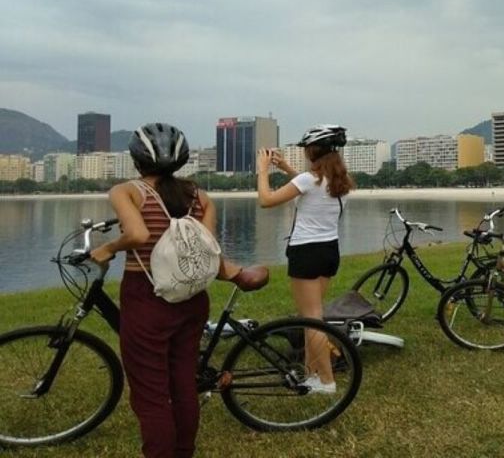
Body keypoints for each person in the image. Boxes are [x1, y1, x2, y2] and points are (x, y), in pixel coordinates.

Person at [90, 123, 267, 458]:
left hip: (147, 298)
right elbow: (207, 250)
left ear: (136, 159)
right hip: (192, 298)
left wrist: (109, 248)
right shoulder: (200, 197)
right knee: (183, 383)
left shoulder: (126, 191)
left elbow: (139, 235)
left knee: (151, 394)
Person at [256, 124, 354, 393]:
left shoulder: (308, 180)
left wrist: (263, 170)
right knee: (313, 315)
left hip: (306, 253)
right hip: (329, 251)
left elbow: (266, 200)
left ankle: (326, 381)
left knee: (311, 319)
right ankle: (311, 374)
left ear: (312, 152)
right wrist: (286, 167)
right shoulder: (339, 182)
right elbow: (308, 183)